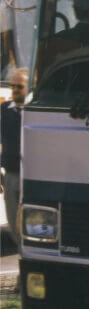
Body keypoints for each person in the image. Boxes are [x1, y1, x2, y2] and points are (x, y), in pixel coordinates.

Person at [1, 67, 28, 251]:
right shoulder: (4, 110)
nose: (15, 90)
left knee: (30, 224)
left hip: (30, 178)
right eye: (13, 86)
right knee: (13, 224)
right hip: (11, 175)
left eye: (19, 86)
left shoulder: (36, 110)